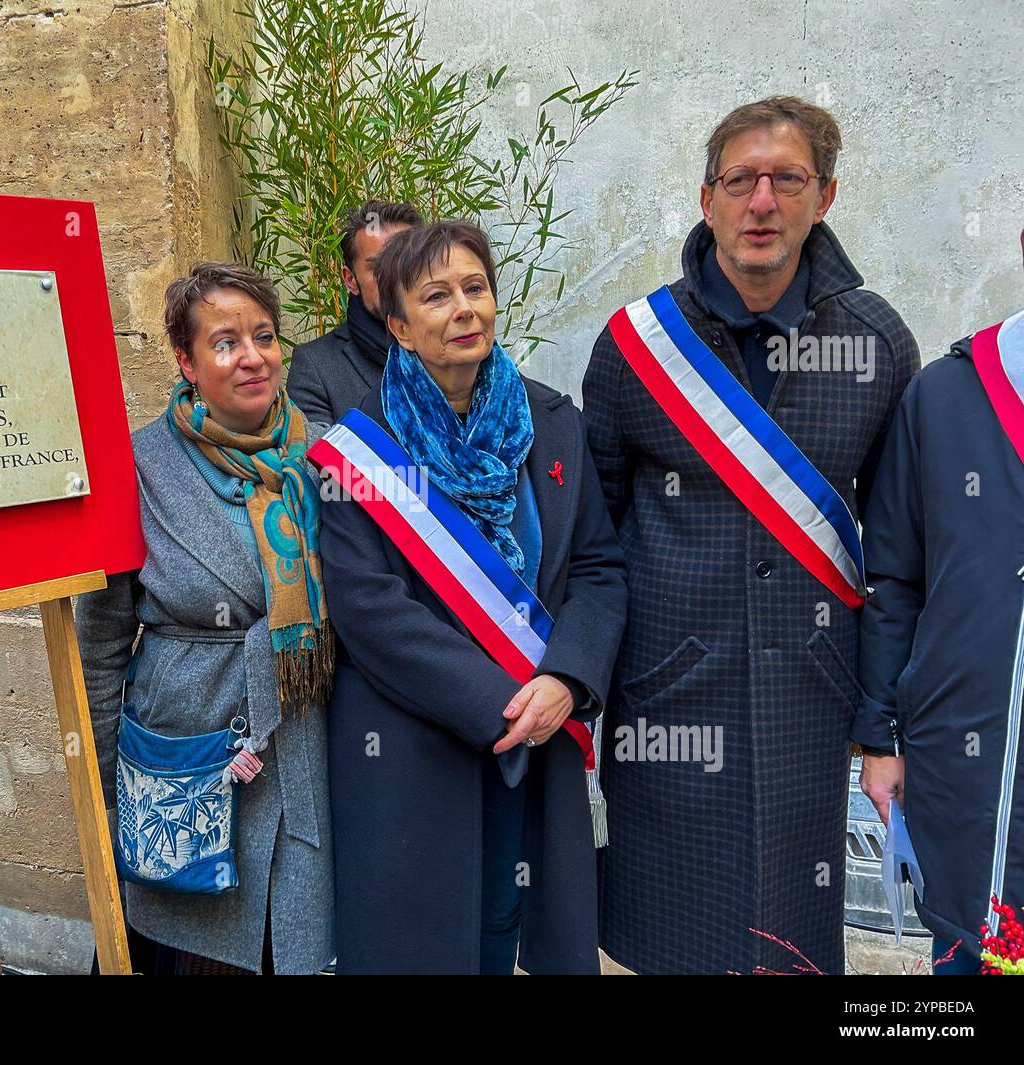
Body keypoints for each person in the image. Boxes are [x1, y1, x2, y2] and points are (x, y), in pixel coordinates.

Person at [582, 96, 920, 974]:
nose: (761, 201)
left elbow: (895, 555)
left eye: (787, 179)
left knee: (792, 943)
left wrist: (879, 718)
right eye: (740, 180)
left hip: (811, 700)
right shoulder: (634, 346)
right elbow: (597, 539)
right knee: (671, 935)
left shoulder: (878, 342)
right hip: (666, 701)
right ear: (708, 199)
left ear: (827, 196)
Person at [313, 220, 628, 974]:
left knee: (513, 930)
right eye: (436, 296)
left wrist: (567, 678)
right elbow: (371, 610)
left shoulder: (553, 423)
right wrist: (508, 701)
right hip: (415, 745)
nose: (464, 309)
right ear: (399, 326)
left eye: (475, 288)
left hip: (539, 733)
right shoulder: (359, 447)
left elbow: (597, 568)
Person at [76, 261, 334, 974]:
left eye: (264, 336)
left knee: (289, 937)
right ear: (187, 362)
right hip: (188, 744)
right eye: (225, 342)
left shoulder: (323, 455)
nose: (252, 356)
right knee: (185, 947)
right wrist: (106, 793)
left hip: (297, 737)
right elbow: (99, 645)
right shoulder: (137, 464)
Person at [858, 227, 1024, 976]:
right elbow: (894, 577)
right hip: (966, 765)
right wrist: (881, 738)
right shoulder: (949, 394)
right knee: (968, 954)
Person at [287, 199, 423, 425]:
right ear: (350, 280)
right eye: (378, 267)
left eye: (406, 261)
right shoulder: (316, 366)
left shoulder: (458, 346)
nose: (395, 276)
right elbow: (321, 459)